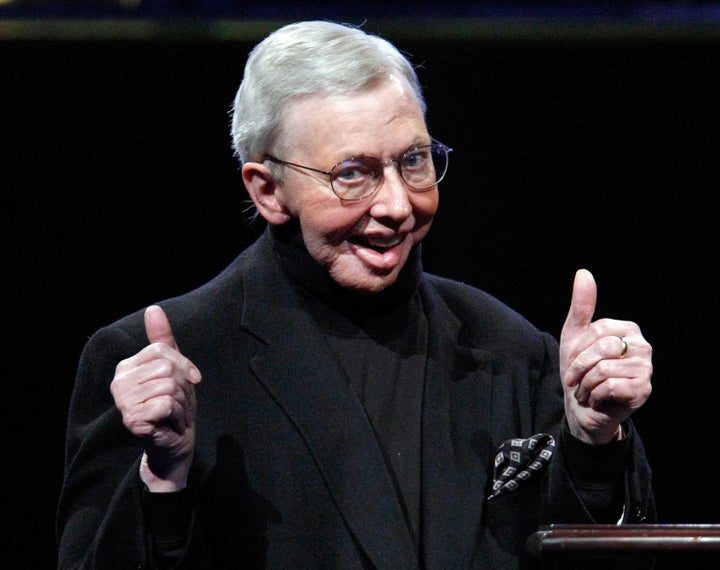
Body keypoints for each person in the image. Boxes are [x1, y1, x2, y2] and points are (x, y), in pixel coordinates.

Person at [56, 20, 655, 570]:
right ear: (268, 190)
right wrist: (162, 480)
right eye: (352, 173)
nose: (397, 205)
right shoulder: (165, 363)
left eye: (414, 160)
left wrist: (594, 445)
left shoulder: (511, 348)